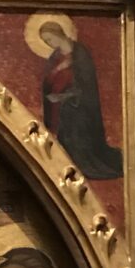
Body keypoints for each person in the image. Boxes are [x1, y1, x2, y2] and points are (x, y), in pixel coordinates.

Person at [39, 20, 124, 181]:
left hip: (79, 106)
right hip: (59, 106)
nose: (49, 43)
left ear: (58, 34)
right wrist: (58, 71)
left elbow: (86, 84)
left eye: (49, 39)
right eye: (45, 41)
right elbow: (48, 81)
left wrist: (65, 96)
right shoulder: (55, 57)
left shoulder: (80, 53)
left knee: (74, 128)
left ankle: (84, 164)